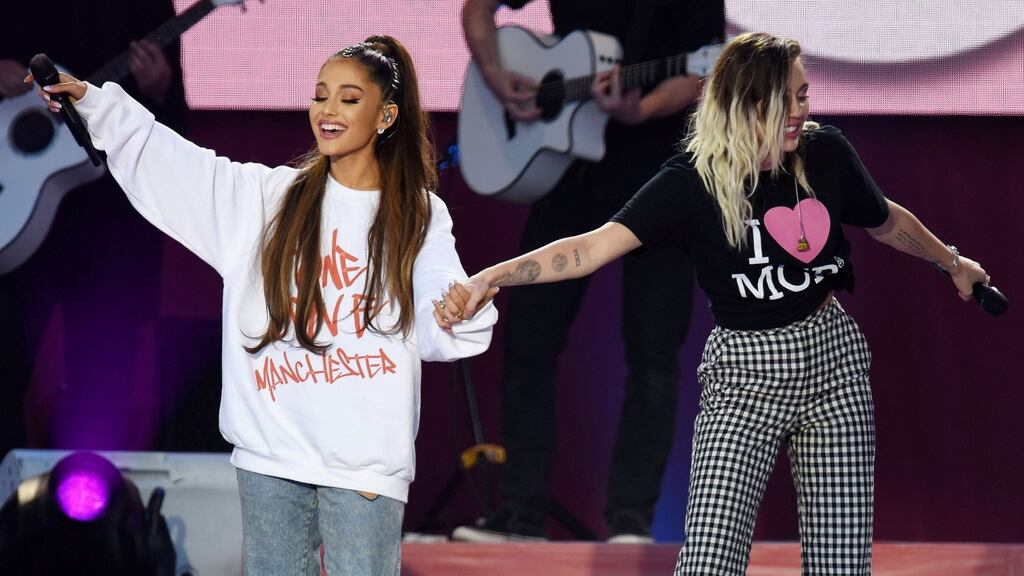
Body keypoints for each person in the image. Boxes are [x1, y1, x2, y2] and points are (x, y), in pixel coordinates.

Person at [453, 32, 991, 575]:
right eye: (791, 98)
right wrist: (489, 278)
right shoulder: (691, 184)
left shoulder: (825, 154)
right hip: (744, 380)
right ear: (750, 102)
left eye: (805, 96)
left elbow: (886, 220)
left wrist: (953, 263)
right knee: (709, 561)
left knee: (841, 565)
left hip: (833, 366)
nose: (803, 110)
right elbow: (590, 248)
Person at [31, 35, 499, 575]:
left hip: (363, 462)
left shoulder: (416, 213)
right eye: (321, 95)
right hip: (271, 457)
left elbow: (440, 283)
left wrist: (456, 307)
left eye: (348, 98)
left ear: (386, 115)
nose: (327, 110)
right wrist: (93, 101)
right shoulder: (264, 200)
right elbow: (174, 165)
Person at [454, 0, 725, 543]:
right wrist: (495, 71)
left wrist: (640, 109)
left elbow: (705, 68)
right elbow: (479, 7)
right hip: (569, 172)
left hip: (661, 175)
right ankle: (521, 516)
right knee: (529, 337)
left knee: (653, 353)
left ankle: (632, 522)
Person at [0, 0, 187, 458]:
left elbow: (173, 125)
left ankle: (93, 520)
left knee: (102, 384)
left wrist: (160, 89)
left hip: (109, 227)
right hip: (13, 212)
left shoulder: (143, 8)